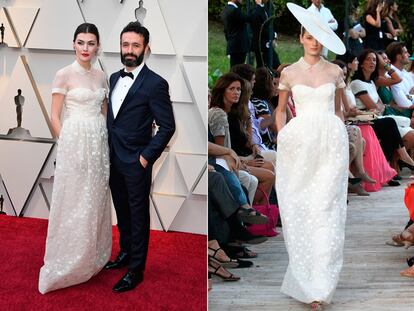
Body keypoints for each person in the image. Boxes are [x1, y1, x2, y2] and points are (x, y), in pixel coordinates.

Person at [275, 3, 347, 310]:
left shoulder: (336, 71)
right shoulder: (289, 73)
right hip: (299, 145)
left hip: (331, 145)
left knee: (327, 209)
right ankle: (306, 282)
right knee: (299, 208)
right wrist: (282, 137)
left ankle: (322, 284)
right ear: (301, 38)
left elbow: (341, 109)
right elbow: (280, 111)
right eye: (309, 36)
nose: (314, 41)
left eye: (319, 35)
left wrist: (340, 135)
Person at [38, 23, 112, 294]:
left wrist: (103, 142)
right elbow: (55, 116)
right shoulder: (63, 75)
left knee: (95, 199)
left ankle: (93, 255)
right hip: (74, 143)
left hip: (99, 144)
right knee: (74, 200)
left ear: (97, 46)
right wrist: (67, 145)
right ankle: (67, 260)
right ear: (73, 44)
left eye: (91, 43)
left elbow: (105, 113)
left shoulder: (102, 76)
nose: (85, 48)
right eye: (81, 42)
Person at [105, 21, 175, 293]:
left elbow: (167, 126)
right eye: (125, 44)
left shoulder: (156, 83)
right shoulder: (113, 78)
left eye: (135, 45)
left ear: (146, 48)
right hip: (113, 158)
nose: (129, 50)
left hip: (136, 162)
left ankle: (136, 270)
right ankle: (124, 253)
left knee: (137, 215)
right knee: (122, 210)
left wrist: (145, 158)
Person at [251, 0, 280, 69]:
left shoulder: (265, 8)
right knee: (263, 66)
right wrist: (272, 36)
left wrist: (274, 36)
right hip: (261, 44)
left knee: (275, 63)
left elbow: (270, 23)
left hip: (267, 43)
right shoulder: (255, 10)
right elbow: (261, 28)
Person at [221, 0, 251, 67]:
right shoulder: (235, 11)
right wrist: (259, 6)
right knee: (238, 70)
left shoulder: (225, 10)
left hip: (232, 45)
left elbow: (226, 30)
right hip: (239, 46)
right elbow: (249, 18)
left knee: (234, 69)